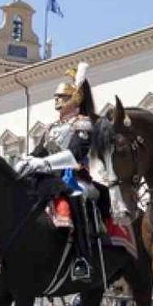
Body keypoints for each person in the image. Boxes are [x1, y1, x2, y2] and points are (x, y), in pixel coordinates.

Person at [14, 62, 101, 281]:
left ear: (75, 99)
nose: (57, 101)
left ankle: (83, 258)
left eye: (62, 97)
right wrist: (26, 161)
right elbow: (38, 152)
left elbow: (73, 155)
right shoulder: (52, 128)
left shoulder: (83, 124)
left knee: (75, 198)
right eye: (56, 97)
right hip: (49, 178)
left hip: (75, 176)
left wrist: (41, 164)